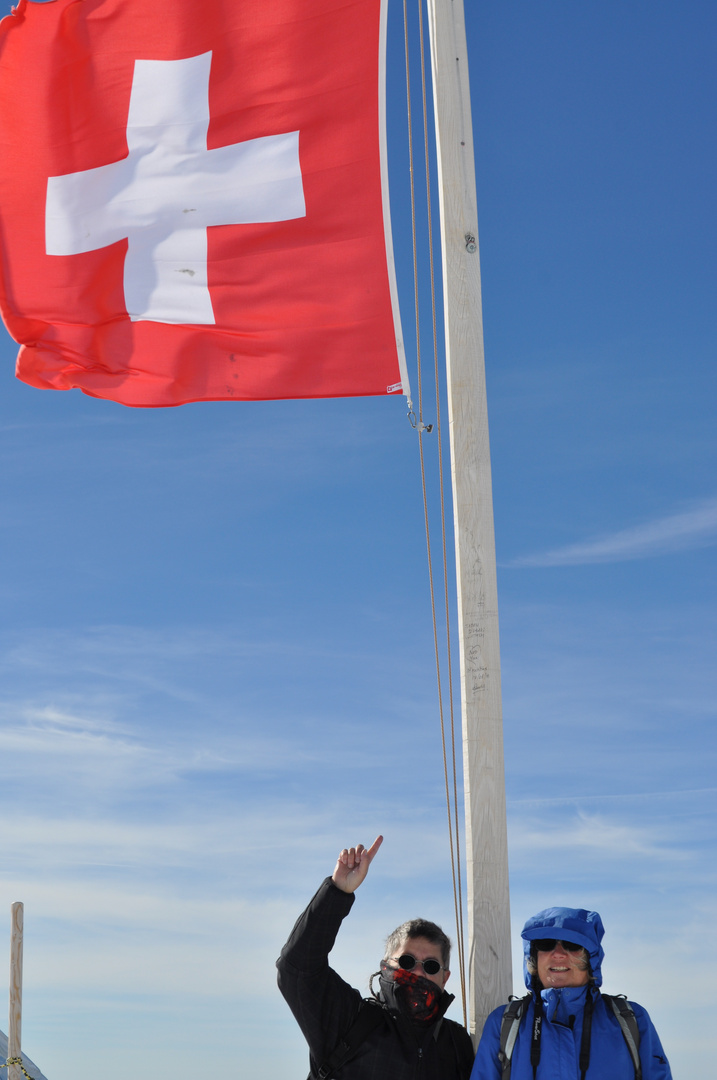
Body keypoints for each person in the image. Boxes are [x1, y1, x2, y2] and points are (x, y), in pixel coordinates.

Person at [277, 835, 475, 1080]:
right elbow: (297, 968)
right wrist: (338, 891)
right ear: (385, 967)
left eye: (431, 966)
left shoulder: (457, 1045)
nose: (418, 973)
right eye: (407, 962)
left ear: (445, 978)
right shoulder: (348, 1021)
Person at [470, 906, 672, 1080]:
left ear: (591, 959)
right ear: (533, 957)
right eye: (546, 944)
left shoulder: (632, 1021)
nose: (558, 954)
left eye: (573, 945)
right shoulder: (504, 1023)